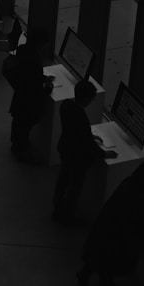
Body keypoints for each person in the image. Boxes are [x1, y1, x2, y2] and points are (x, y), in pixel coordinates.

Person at [77, 162, 144, 286]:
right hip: (118, 235)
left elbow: (143, 198)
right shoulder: (139, 196)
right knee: (109, 257)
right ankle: (101, 281)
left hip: (107, 227)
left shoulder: (130, 183)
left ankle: (97, 279)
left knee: (100, 255)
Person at [52, 79, 116, 223]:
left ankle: (57, 205)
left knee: (63, 178)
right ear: (86, 98)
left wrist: (88, 134)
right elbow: (86, 143)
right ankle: (67, 214)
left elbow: (75, 131)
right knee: (75, 186)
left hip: (65, 148)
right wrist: (104, 153)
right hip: (76, 157)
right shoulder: (80, 116)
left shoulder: (66, 105)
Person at [4, 36, 54, 160]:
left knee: (19, 123)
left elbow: (27, 74)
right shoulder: (35, 60)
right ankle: (22, 151)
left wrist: (41, 78)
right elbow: (35, 85)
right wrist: (48, 87)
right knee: (24, 126)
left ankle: (17, 146)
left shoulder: (23, 51)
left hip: (20, 97)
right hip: (29, 101)